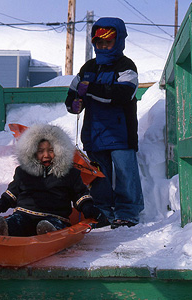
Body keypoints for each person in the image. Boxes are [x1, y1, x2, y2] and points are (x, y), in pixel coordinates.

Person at [65, 17, 144, 229]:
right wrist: (75, 103)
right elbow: (71, 97)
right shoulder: (87, 68)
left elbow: (123, 94)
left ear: (118, 42)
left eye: (107, 43)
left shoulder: (126, 66)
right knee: (98, 176)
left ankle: (128, 212)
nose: (103, 47)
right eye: (99, 43)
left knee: (125, 174)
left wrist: (90, 89)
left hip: (121, 134)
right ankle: (103, 211)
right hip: (94, 133)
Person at [0, 124, 106, 236]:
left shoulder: (69, 173)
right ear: (32, 152)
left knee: (49, 224)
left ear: (60, 151)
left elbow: (79, 194)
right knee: (15, 222)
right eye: (40, 151)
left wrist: (88, 207)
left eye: (51, 150)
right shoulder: (23, 172)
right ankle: (4, 229)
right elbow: (12, 195)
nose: (46, 155)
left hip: (55, 217)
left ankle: (50, 233)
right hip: (24, 214)